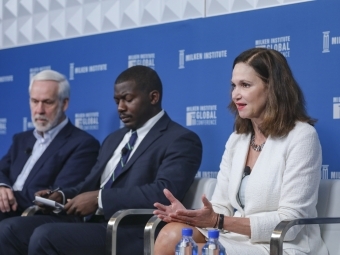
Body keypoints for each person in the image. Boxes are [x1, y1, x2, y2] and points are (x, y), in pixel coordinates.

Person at [0, 65, 203, 255]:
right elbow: (88, 185)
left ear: (153, 97)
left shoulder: (181, 139)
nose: (120, 108)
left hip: (129, 228)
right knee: (9, 229)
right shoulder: (114, 139)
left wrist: (100, 199)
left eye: (127, 99)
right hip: (91, 223)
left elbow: (163, 192)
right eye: (117, 101)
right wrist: (61, 196)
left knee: (45, 236)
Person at [153, 48, 327, 255]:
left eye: (245, 85)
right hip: (237, 238)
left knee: (197, 252)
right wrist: (191, 216)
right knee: (171, 234)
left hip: (282, 244)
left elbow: (291, 224)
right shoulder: (238, 139)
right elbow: (220, 207)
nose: (235, 94)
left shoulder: (302, 136)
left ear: (273, 88)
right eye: (234, 85)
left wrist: (219, 221)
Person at [0, 69, 100, 220]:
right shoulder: (21, 139)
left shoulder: (83, 144)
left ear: (64, 103)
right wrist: (3, 187)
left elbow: (56, 195)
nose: (39, 110)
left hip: (36, 218)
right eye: (34, 101)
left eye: (47, 102)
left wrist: (6, 198)